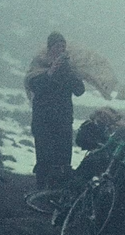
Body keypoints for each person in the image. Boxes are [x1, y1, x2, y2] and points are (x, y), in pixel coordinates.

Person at [24, 32, 85, 189]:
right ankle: (41, 191)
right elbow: (35, 86)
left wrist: (69, 72)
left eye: (63, 46)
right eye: (58, 46)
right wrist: (50, 73)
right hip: (43, 119)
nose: (61, 49)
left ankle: (58, 194)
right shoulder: (39, 65)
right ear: (50, 48)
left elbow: (79, 90)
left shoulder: (69, 69)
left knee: (63, 160)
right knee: (44, 158)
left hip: (63, 119)